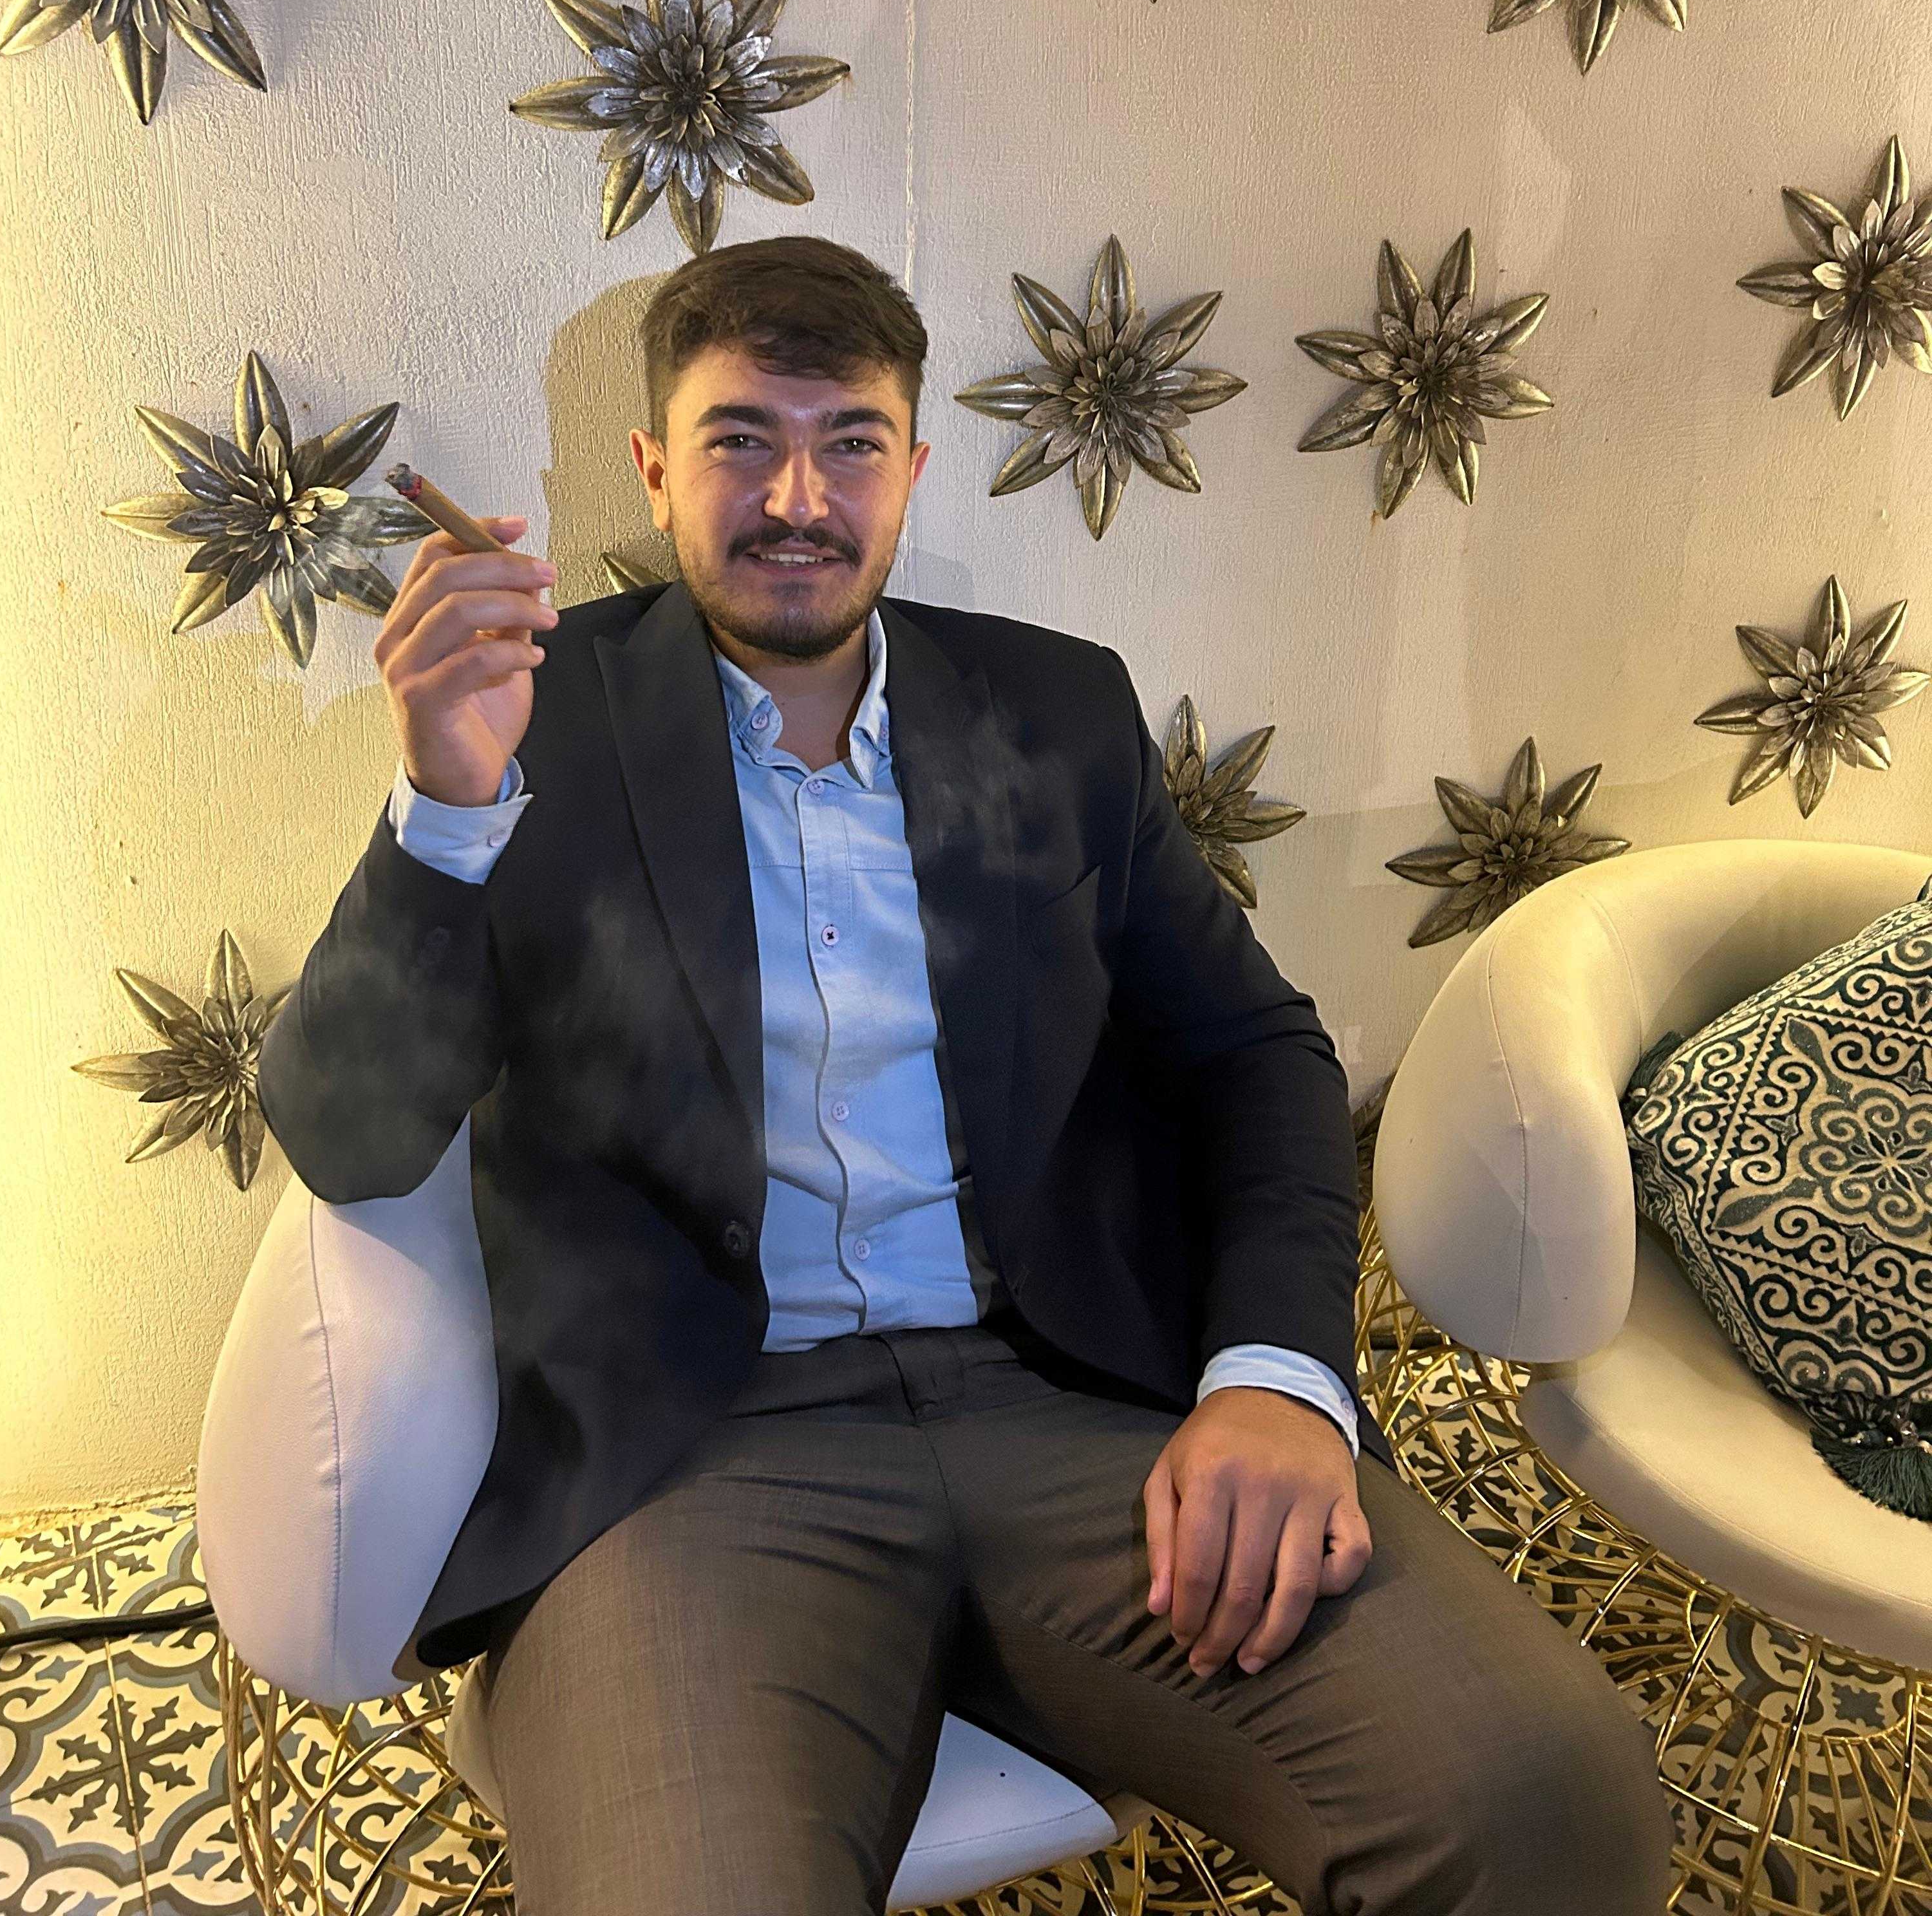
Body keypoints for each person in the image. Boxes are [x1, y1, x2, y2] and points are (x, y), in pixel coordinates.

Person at [257, 234, 1673, 1916]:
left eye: (850, 442)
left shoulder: (1054, 710)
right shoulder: (526, 728)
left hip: (1079, 1410)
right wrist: (445, 804)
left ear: (913, 469)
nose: (800, 497)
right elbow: (351, 1138)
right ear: (652, 467)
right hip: (691, 1468)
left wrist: (1280, 1378)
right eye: (739, 440)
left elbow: (1257, 1056)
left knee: (1546, 1800)